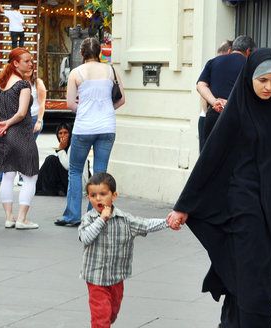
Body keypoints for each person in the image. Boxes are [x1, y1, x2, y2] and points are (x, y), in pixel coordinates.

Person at [167, 48, 271, 327]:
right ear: (249, 78)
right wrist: (184, 206)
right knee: (255, 286)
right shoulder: (237, 110)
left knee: (249, 278)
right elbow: (211, 157)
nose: (268, 87)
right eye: (262, 80)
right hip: (242, 207)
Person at [78, 173, 169, 328]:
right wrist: (102, 220)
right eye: (93, 195)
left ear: (114, 196)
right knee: (101, 316)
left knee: (112, 312)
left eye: (103, 194)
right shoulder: (88, 219)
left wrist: (168, 222)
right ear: (88, 198)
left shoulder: (125, 220)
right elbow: (86, 238)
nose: (98, 198)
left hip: (116, 277)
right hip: (95, 277)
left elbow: (146, 224)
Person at [54, 37, 125, 227]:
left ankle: (72, 215)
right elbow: (121, 100)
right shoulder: (111, 70)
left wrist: (86, 109)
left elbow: (70, 103)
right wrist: (106, 110)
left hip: (84, 127)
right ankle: (94, 215)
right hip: (107, 127)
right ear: (100, 52)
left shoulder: (76, 73)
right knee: (100, 173)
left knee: (75, 171)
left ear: (81, 53)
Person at [0, 47, 39, 230]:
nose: (31, 63)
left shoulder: (1, 84)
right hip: (21, 133)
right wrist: (7, 123)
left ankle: (8, 217)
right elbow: (21, 113)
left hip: (4, 136)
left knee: (8, 175)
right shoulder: (23, 85)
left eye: (31, 60)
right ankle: (22, 218)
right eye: (27, 61)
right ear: (15, 63)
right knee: (30, 175)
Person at [0, 67, 46, 185]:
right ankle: (3, 174)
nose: (28, 68)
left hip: (31, 118)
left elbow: (42, 103)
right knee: (11, 148)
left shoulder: (37, 83)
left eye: (30, 66)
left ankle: (22, 176)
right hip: (15, 119)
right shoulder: (15, 83)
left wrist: (39, 120)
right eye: (26, 65)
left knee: (25, 150)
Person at [197, 35, 255, 142]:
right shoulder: (250, 65)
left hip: (213, 116)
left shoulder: (213, 62)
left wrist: (215, 102)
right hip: (237, 118)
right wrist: (229, 104)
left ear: (232, 49)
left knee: (210, 156)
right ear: (248, 51)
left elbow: (200, 85)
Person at [198, 40, 234, 152]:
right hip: (214, 115)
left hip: (204, 115)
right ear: (229, 51)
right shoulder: (224, 68)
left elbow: (201, 87)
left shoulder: (211, 64)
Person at [35, 123, 71, 196]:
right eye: (60, 133)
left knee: (51, 159)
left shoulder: (73, 146)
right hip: (65, 177)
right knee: (51, 160)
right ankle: (39, 187)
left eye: (65, 133)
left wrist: (60, 149)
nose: (63, 135)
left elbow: (67, 165)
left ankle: (42, 188)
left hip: (72, 180)